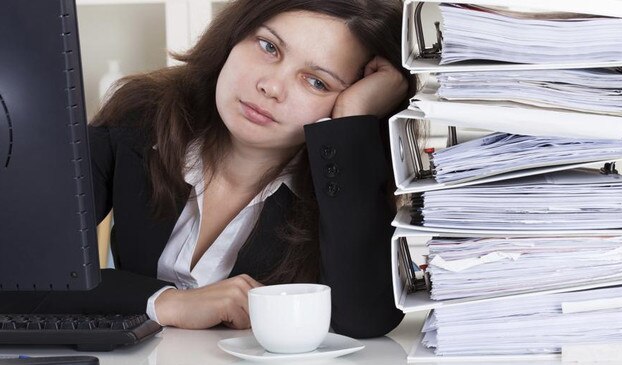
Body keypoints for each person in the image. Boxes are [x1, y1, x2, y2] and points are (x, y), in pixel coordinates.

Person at [1, 0, 417, 338]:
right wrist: (166, 301)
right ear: (235, 35)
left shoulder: (342, 181)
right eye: (269, 47)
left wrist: (351, 120)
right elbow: (19, 273)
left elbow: (364, 319)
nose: (270, 87)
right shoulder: (140, 117)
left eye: (317, 82)